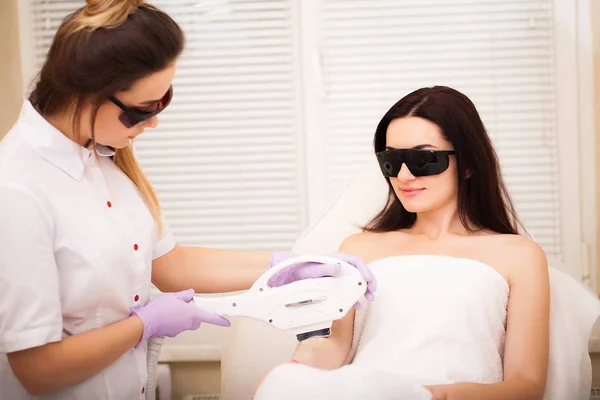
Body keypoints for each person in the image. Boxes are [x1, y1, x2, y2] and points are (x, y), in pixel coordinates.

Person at [0, 1, 376, 399]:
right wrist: (143, 326)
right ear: (86, 94)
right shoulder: (17, 189)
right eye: (143, 110)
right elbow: (37, 369)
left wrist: (289, 265)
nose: (154, 122)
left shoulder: (103, 156)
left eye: (165, 101)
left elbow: (171, 265)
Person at [252, 86, 550, 400]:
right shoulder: (360, 248)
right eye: (391, 160)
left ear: (467, 163)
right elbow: (335, 346)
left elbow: (526, 386)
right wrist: (297, 369)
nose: (404, 175)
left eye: (423, 159)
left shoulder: (519, 256)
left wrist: (437, 395)